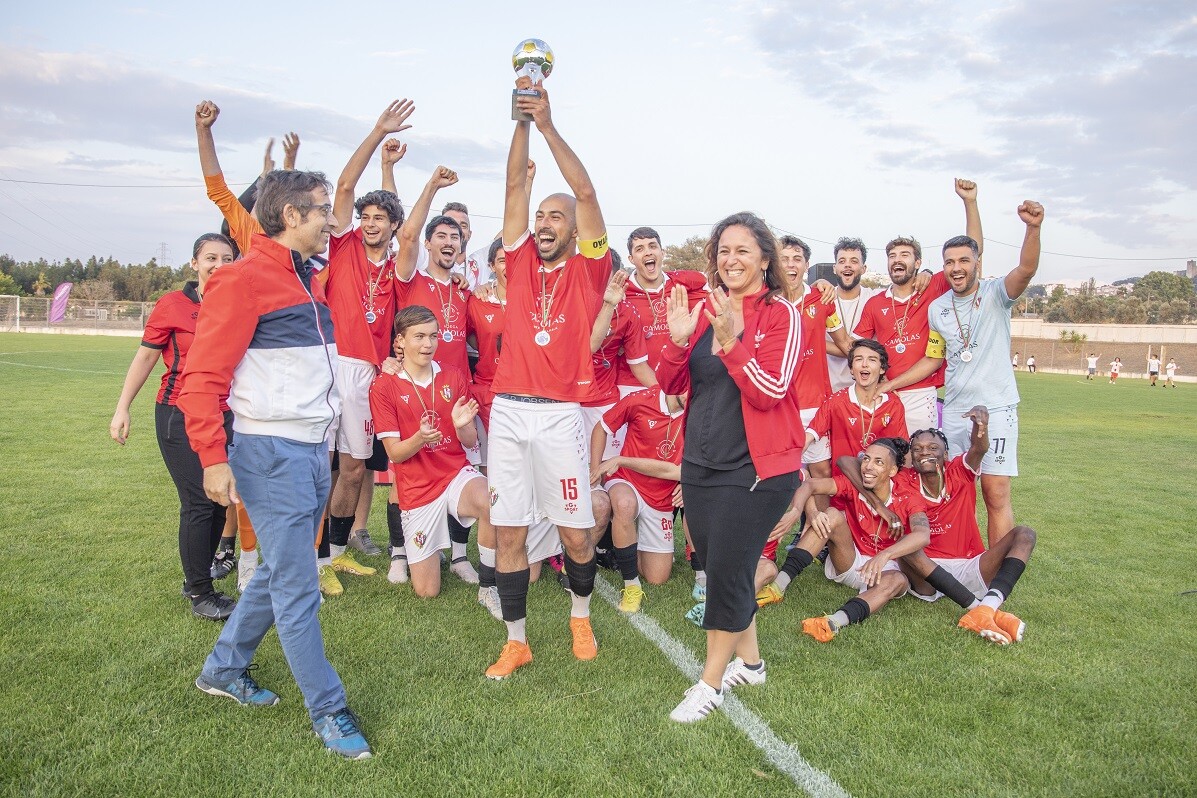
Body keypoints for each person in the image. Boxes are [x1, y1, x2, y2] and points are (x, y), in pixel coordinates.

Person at [178, 169, 371, 759]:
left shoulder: (308, 276)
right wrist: (213, 459)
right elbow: (200, 380)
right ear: (291, 217)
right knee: (296, 585)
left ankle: (221, 671)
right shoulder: (241, 280)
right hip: (270, 455)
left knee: (274, 574)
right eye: (320, 211)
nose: (329, 220)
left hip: (311, 452)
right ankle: (330, 711)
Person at [483, 78, 613, 680]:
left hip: (561, 414)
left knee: (576, 535)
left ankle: (580, 615)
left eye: (555, 216)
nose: (544, 222)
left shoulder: (590, 268)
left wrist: (551, 124)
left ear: (573, 227)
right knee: (507, 530)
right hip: (509, 412)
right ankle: (517, 640)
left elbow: (585, 188)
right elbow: (513, 184)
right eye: (540, 215)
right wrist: (521, 121)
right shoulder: (517, 262)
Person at [657, 212, 803, 723]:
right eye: (723, 250)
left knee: (727, 572)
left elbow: (771, 392)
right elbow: (673, 389)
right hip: (701, 462)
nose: (730, 260)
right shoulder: (707, 309)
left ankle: (710, 684)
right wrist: (679, 343)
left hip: (759, 470)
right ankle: (753, 664)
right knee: (724, 564)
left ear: (765, 258)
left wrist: (732, 342)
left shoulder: (782, 313)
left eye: (742, 250)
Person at [878, 197, 1045, 547]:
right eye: (950, 262)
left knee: (995, 493)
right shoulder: (937, 309)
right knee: (954, 490)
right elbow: (934, 358)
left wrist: (1032, 228)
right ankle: (960, 557)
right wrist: (889, 382)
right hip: (954, 410)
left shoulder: (997, 293)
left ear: (977, 264)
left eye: (964, 260)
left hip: (996, 408)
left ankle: (995, 577)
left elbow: (1026, 270)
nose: (956, 268)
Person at [110, 233, 238, 621]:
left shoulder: (239, 304)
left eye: (227, 258)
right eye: (210, 257)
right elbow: (145, 359)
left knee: (220, 500)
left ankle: (199, 579)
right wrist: (122, 408)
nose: (218, 264)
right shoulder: (173, 305)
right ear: (194, 264)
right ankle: (200, 593)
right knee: (199, 501)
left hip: (225, 415)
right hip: (178, 414)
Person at [321, 99, 416, 593]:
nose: (372, 222)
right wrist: (379, 132)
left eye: (382, 217)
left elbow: (403, 220)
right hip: (331, 362)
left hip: (370, 373)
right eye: (367, 215)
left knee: (354, 469)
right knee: (319, 464)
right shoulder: (343, 246)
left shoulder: (397, 268)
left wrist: (392, 177)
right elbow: (343, 186)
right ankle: (310, 559)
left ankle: (334, 556)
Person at [393, 165, 482, 585]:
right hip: (414, 388)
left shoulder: (463, 290)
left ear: (463, 248)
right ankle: (399, 551)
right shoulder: (411, 278)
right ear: (430, 243)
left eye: (456, 238)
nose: (449, 243)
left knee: (464, 463)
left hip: (456, 392)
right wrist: (431, 185)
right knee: (408, 465)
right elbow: (406, 236)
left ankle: (461, 554)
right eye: (441, 237)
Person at [369, 305, 494, 599]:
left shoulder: (452, 376)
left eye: (433, 336)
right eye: (419, 337)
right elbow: (396, 454)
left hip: (454, 474)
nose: (428, 344)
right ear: (400, 341)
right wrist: (421, 438)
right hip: (416, 487)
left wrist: (462, 425)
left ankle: (489, 585)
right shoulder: (383, 387)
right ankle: (409, 555)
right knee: (427, 592)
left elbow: (469, 441)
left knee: (492, 500)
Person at [767, 438, 930, 642]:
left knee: (898, 580)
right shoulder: (854, 485)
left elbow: (922, 535)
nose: (868, 467)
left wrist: (885, 555)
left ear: (893, 471)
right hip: (850, 561)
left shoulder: (908, 497)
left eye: (879, 462)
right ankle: (777, 587)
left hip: (884, 571)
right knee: (832, 514)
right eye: (866, 459)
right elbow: (809, 485)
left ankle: (834, 622)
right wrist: (802, 511)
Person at [899, 415, 1036, 643]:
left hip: (969, 565)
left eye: (933, 447)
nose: (925, 452)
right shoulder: (903, 479)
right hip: (926, 572)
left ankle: (987, 607)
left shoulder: (959, 472)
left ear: (946, 455)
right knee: (906, 546)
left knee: (1025, 534)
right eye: (917, 448)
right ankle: (981, 611)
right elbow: (851, 462)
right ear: (910, 457)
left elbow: (979, 448)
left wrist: (980, 425)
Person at [589, 386, 686, 613]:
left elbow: (680, 470)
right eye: (686, 390)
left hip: (662, 497)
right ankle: (631, 585)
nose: (691, 395)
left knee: (657, 577)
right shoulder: (640, 400)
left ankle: (630, 543)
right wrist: (595, 471)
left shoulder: (698, 410)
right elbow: (601, 427)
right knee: (624, 505)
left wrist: (687, 481)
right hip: (626, 481)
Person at [619, 227, 708, 395]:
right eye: (640, 249)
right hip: (632, 386)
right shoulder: (623, 292)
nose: (647, 252)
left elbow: (706, 280)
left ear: (662, 252)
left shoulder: (682, 283)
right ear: (631, 259)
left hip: (677, 386)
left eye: (652, 246)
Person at [826, 237, 878, 391]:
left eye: (854, 261)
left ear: (864, 268)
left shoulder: (875, 299)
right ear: (835, 268)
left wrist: (926, 273)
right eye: (842, 261)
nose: (847, 265)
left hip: (865, 391)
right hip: (828, 389)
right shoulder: (822, 299)